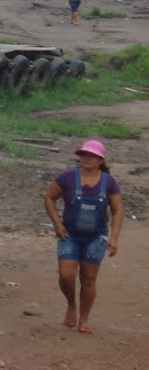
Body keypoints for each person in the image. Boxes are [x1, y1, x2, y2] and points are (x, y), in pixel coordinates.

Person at [43, 139, 122, 334]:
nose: (87, 159)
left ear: (100, 160)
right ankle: (71, 303)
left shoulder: (109, 182)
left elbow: (117, 211)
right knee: (66, 275)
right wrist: (58, 225)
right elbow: (49, 198)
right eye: (84, 155)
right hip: (69, 234)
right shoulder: (67, 177)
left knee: (88, 278)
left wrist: (113, 238)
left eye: (92, 156)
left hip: (96, 237)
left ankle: (84, 320)